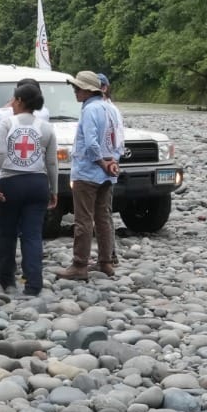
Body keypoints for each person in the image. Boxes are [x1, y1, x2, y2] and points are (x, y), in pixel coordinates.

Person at [0, 82, 58, 295]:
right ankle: (34, 283)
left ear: (19, 101)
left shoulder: (7, 124)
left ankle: (5, 277)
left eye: (14, 100)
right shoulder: (46, 128)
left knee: (6, 233)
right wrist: (53, 189)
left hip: (11, 182)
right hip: (37, 184)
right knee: (32, 235)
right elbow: (52, 162)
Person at [59, 70, 121, 280]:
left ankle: (79, 264)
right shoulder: (111, 109)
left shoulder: (89, 111)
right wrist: (112, 161)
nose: (75, 91)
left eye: (77, 88)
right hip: (107, 172)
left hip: (88, 171)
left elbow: (91, 142)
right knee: (103, 218)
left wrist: (101, 162)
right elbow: (118, 139)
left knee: (83, 219)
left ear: (87, 90)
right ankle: (105, 261)